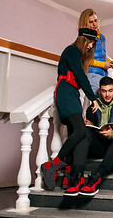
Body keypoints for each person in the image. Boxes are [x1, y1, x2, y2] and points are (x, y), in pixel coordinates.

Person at [41, 28, 100, 193]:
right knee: (80, 130)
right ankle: (53, 165)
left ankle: (70, 173)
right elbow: (81, 77)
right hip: (65, 93)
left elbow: (79, 79)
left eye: (93, 44)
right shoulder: (72, 50)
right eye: (89, 42)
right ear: (82, 39)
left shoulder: (77, 55)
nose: (90, 46)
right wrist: (93, 98)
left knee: (79, 134)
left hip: (72, 94)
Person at [65, 76, 113, 196]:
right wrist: (90, 125)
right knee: (84, 130)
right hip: (100, 146)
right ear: (100, 91)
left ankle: (97, 176)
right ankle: (77, 177)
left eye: (110, 91)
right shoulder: (93, 107)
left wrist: (112, 133)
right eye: (104, 91)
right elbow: (91, 130)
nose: (107, 94)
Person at [79, 8, 113, 97]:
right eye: (91, 22)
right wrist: (103, 64)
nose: (94, 24)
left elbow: (102, 55)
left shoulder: (102, 37)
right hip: (91, 74)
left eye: (95, 20)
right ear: (85, 23)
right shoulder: (83, 38)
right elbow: (85, 59)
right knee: (102, 97)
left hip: (103, 76)